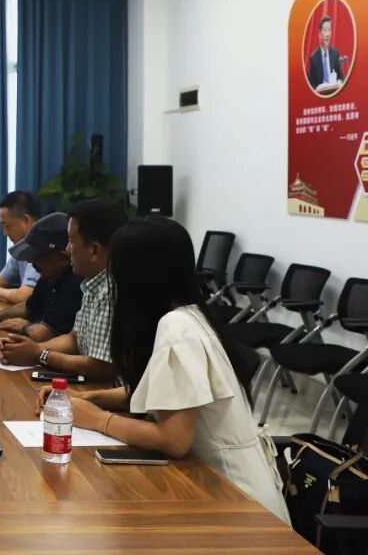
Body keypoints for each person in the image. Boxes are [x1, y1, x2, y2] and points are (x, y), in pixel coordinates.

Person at [34, 217, 290, 524]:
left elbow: (174, 440)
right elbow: (163, 394)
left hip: (236, 501)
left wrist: (98, 419)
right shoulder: (189, 314)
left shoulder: (176, 327)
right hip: (222, 488)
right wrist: (90, 399)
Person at [0, 199, 125, 381]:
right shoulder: (91, 283)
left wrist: (39, 354)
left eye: (71, 241)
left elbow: (102, 367)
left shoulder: (111, 290)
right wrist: (29, 349)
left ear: (94, 250)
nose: (68, 249)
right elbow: (74, 339)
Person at [0, 212, 82, 342]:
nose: (32, 263)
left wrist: (26, 327)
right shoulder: (50, 276)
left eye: (38, 257)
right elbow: (29, 307)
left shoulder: (75, 284)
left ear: (62, 258)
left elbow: (45, 334)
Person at [308, 15, 344, 89]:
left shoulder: (335, 53)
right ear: (320, 35)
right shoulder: (314, 58)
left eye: (329, 30)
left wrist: (340, 82)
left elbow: (341, 77)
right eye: (325, 30)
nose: (328, 34)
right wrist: (319, 87)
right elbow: (311, 85)